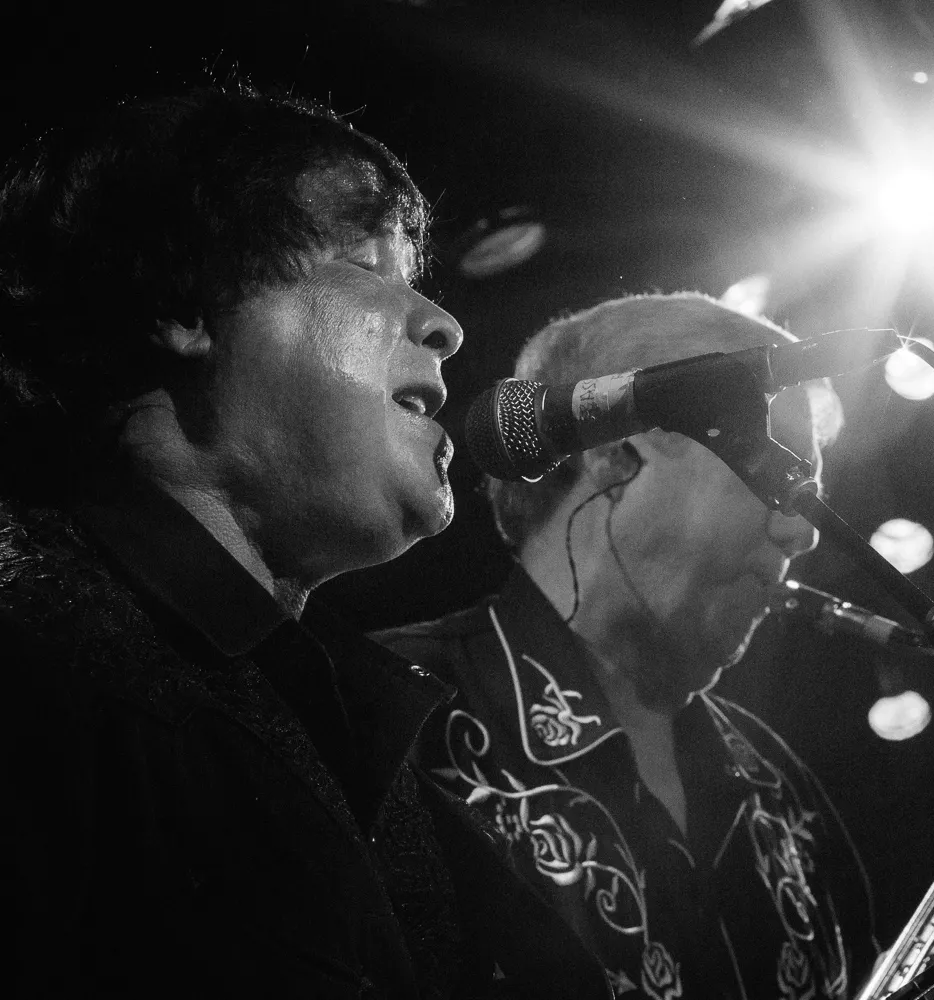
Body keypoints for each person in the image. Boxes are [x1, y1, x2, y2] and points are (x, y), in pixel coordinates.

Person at [372, 292, 934, 1000]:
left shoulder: (785, 796)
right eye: (770, 476)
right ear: (613, 452)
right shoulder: (387, 713)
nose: (802, 532)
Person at [1, 83, 607, 998]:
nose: (445, 326)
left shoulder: (325, 712)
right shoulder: (37, 661)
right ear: (185, 302)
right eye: (367, 265)